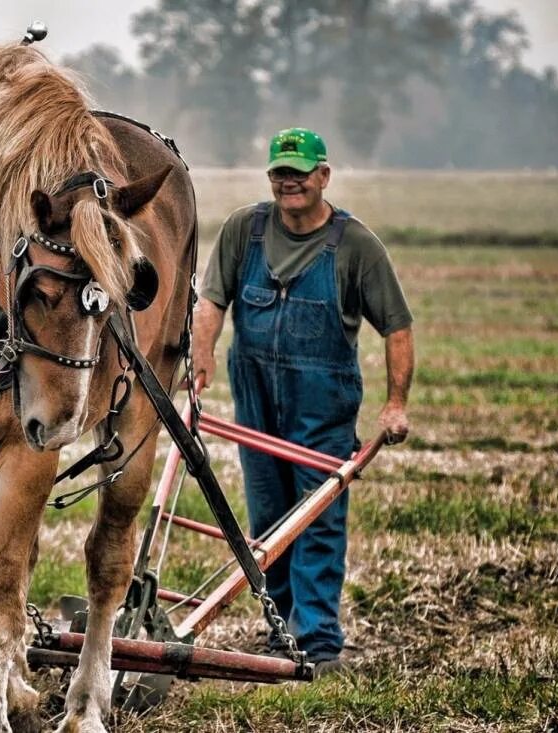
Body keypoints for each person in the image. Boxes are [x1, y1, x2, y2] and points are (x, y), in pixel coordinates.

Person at [191, 127, 415, 675]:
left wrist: (395, 404)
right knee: (269, 517)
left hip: (322, 400)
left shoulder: (355, 245)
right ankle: (280, 629)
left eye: (298, 172)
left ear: (323, 176)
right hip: (256, 394)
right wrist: (201, 358)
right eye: (279, 173)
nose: (288, 182)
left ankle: (317, 640)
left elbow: (398, 327)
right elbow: (211, 300)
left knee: (316, 517)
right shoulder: (246, 230)